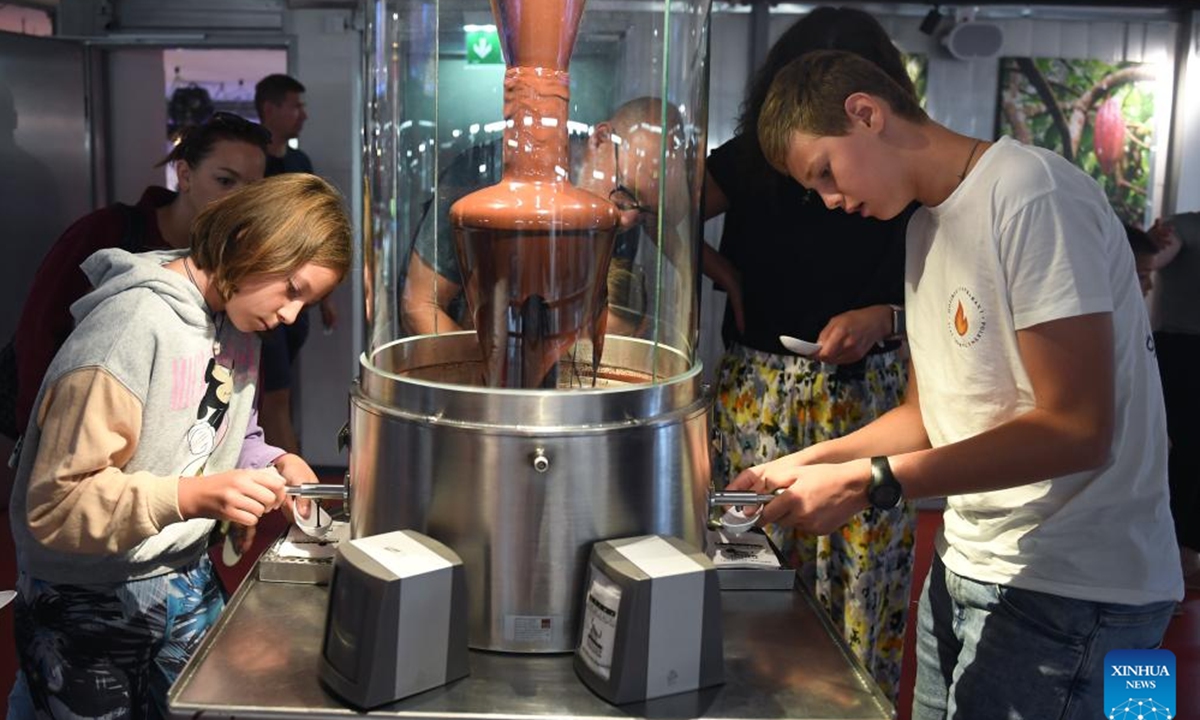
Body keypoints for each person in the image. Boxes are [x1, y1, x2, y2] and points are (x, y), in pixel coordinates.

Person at [733, 49, 1181, 719]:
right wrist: (807, 462)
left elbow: (1079, 430)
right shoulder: (924, 230)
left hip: (1076, 592)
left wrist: (872, 482)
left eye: (825, 171)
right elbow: (930, 414)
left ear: (866, 113)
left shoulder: (1031, 193)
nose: (830, 200)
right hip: (969, 569)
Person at [8, 173, 352, 717]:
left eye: (306, 305)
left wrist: (274, 460)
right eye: (292, 290)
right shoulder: (131, 327)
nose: (290, 316)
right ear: (246, 240)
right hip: (86, 599)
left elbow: (220, 433)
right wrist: (192, 497)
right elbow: (57, 504)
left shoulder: (239, 323)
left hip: (184, 574)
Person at [702, 7, 914, 703]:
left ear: (872, 109)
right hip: (757, 385)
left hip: (866, 389)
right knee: (746, 567)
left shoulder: (909, 179)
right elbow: (657, 204)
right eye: (813, 175)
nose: (831, 196)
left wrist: (886, 317)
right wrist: (718, 268)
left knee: (858, 574)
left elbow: (950, 302)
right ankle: (739, 699)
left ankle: (847, 706)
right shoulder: (755, 155)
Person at [12, 112, 270, 439]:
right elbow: (40, 330)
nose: (240, 199)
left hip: (180, 448)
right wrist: (37, 431)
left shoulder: (239, 259)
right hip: (81, 431)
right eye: (225, 181)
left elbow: (239, 369)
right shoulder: (107, 232)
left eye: (254, 188)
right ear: (185, 175)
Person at [400, 97, 690, 338]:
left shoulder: (622, 212)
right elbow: (420, 306)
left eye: (643, 214)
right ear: (601, 139)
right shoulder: (484, 174)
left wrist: (687, 275)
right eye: (626, 195)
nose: (625, 221)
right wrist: (483, 393)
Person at [254, 73, 334, 454]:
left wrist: (325, 300)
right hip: (263, 295)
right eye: (294, 105)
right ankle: (290, 488)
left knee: (278, 391)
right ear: (269, 109)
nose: (302, 114)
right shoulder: (254, 165)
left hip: (296, 302)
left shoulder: (300, 160)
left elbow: (315, 232)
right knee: (275, 395)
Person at [1145, 214, 1196, 588]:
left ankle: (1185, 558)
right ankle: (1168, 563)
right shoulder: (1181, 226)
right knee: (1174, 455)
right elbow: (1156, 257)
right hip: (1179, 351)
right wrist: (1142, 251)